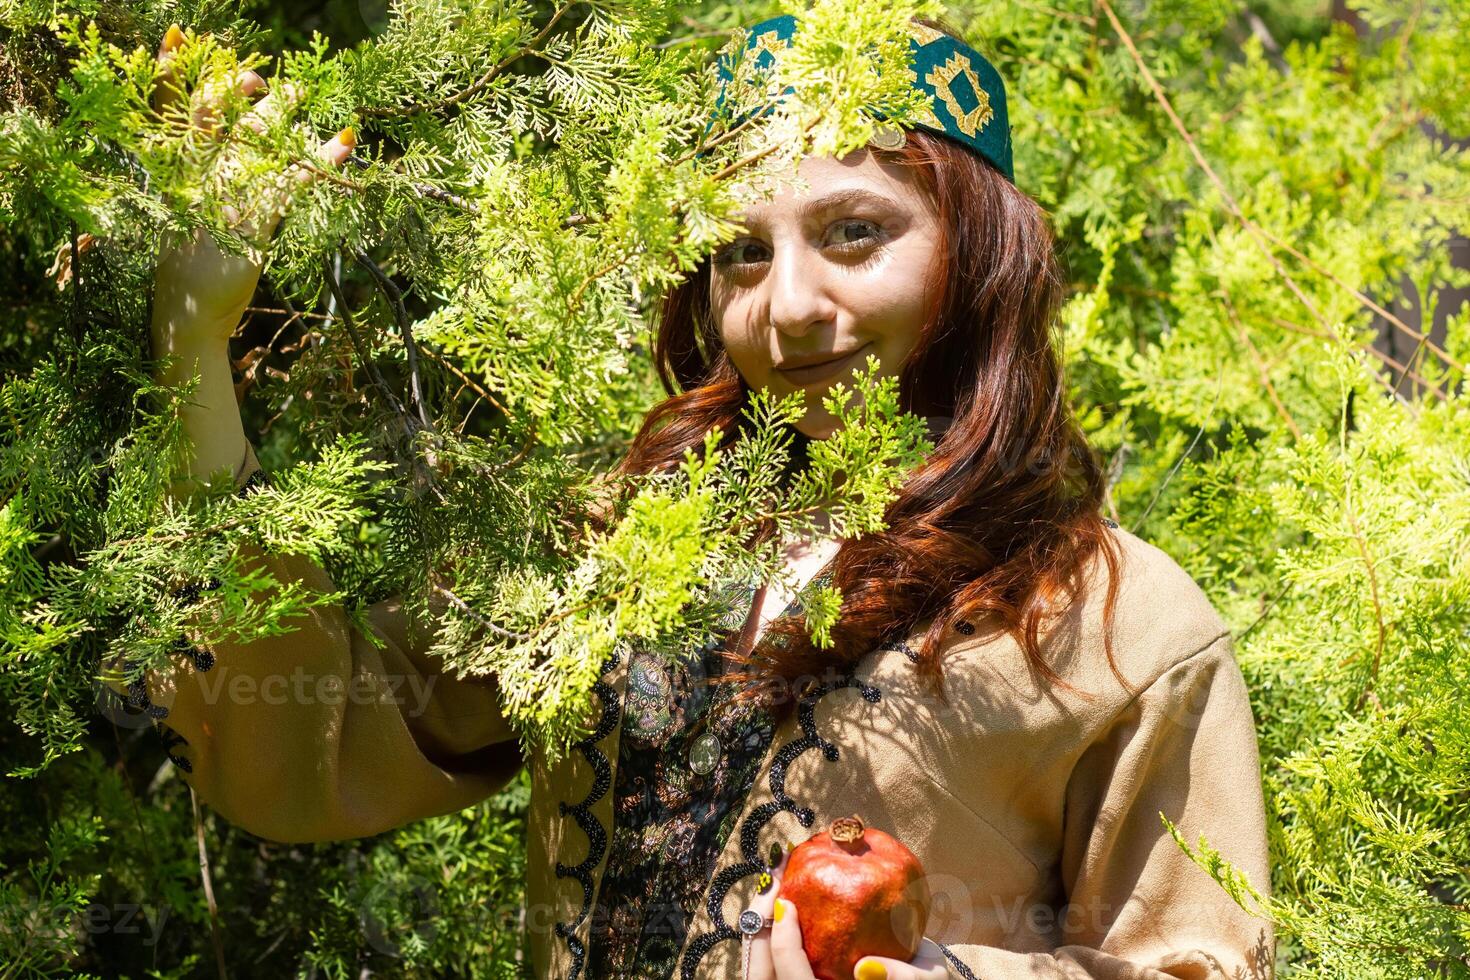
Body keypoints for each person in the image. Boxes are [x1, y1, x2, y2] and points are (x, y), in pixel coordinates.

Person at [121, 12, 1274, 980]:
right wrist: (198, 340)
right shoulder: (619, 539)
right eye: (740, 252)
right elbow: (301, 743)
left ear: (980, 252)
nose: (787, 306)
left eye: (855, 234)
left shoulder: (1123, 625)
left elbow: (1196, 957)